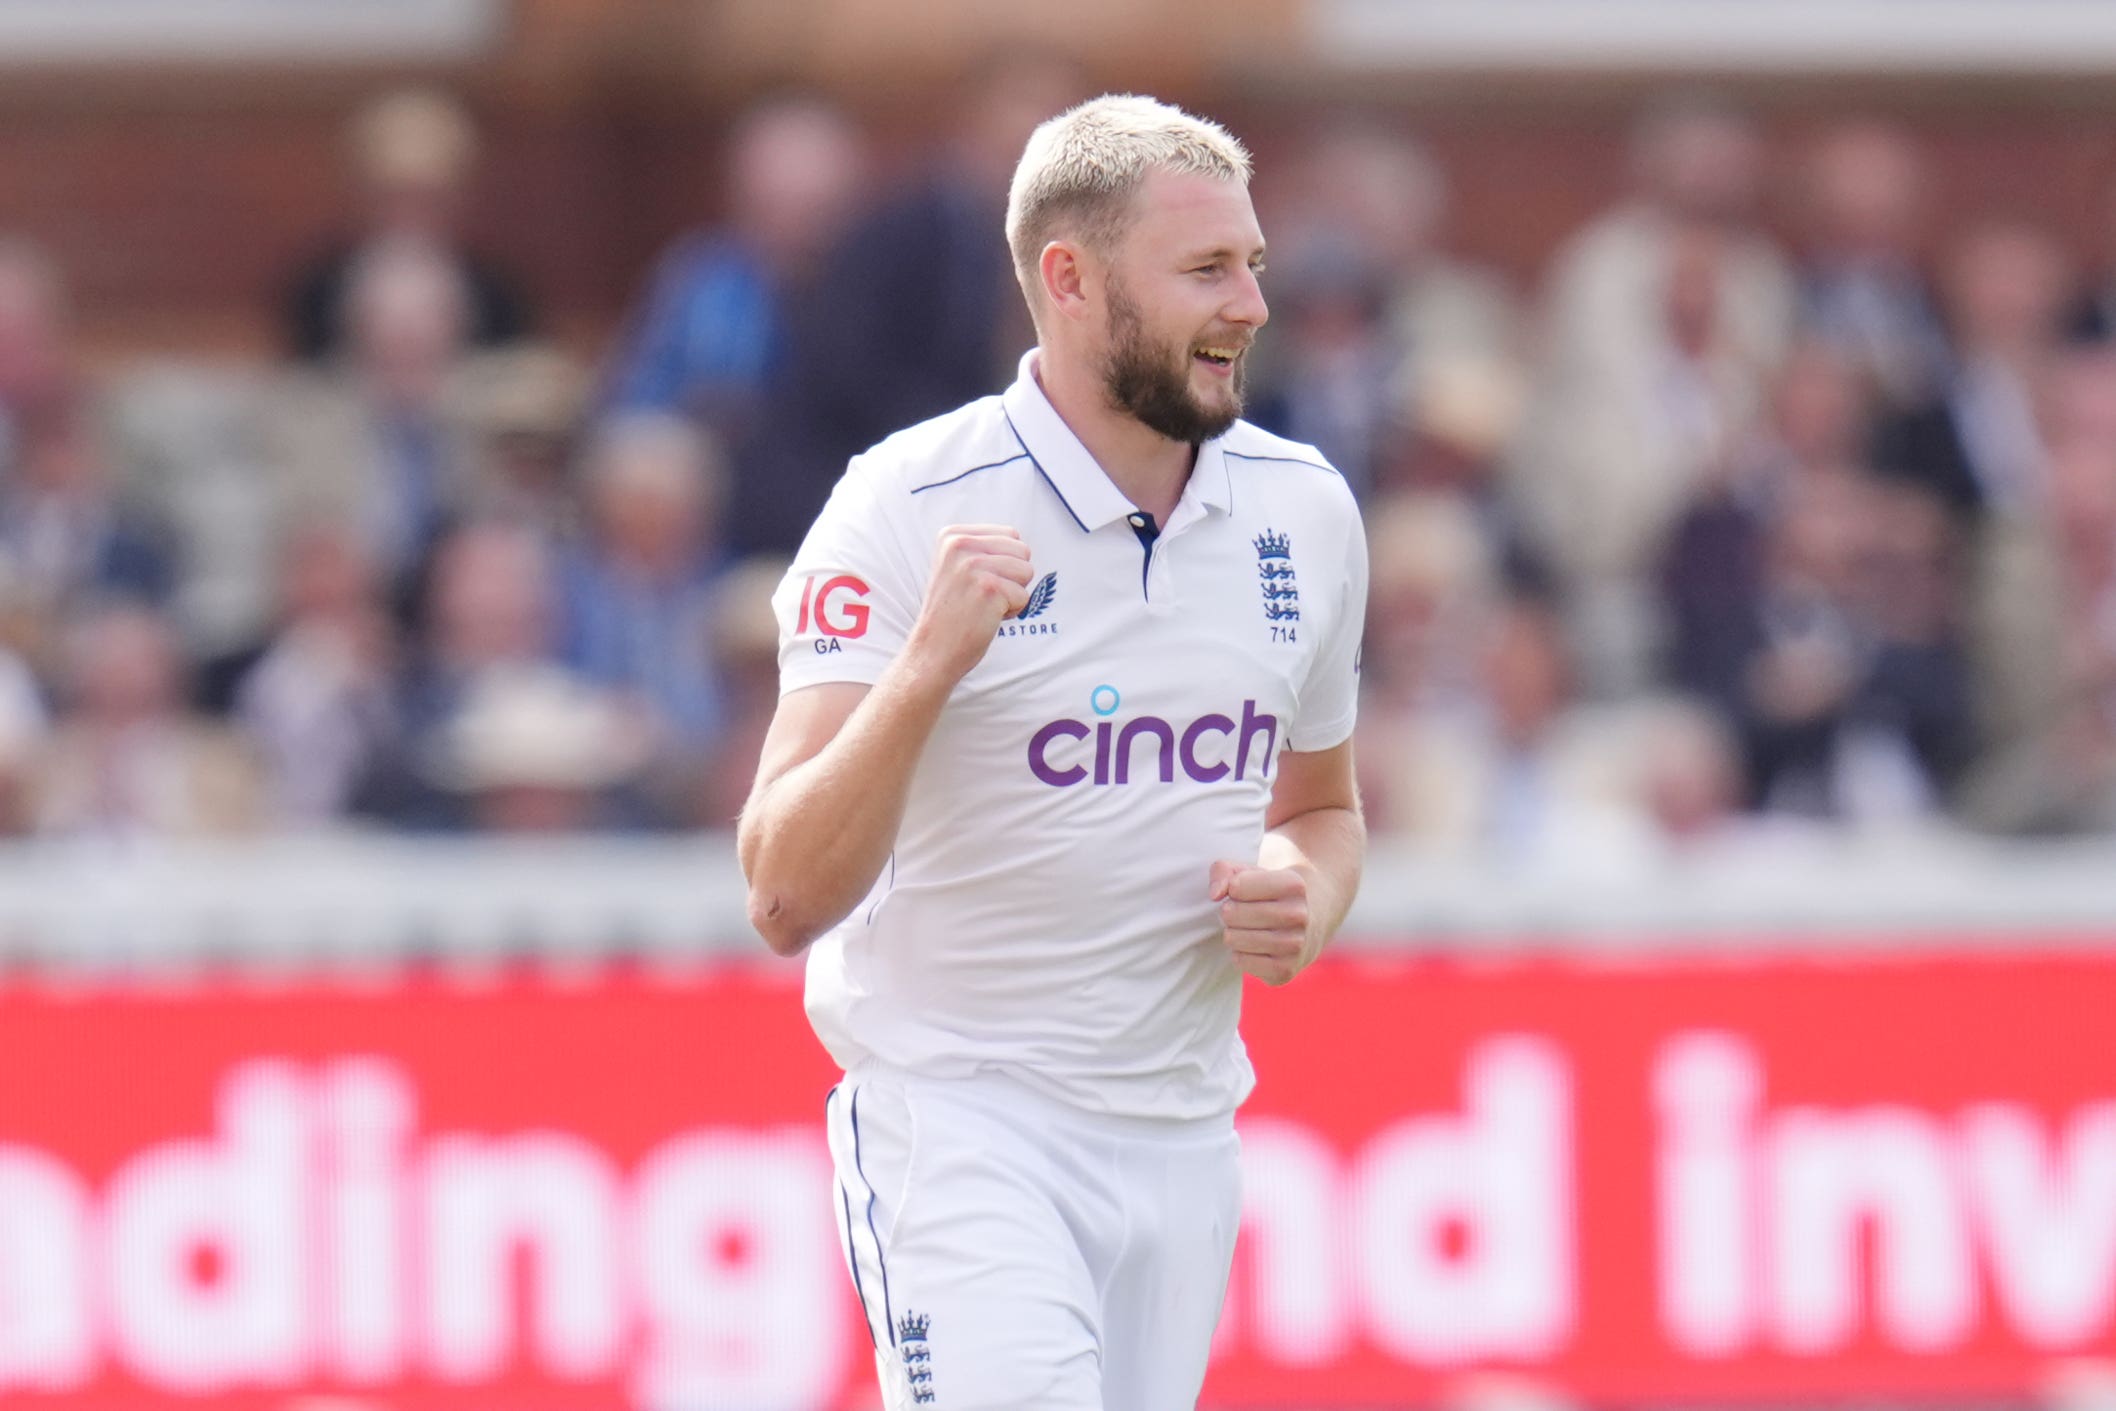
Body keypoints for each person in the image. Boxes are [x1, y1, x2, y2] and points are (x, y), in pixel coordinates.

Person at [737, 96, 1367, 1409]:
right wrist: (925, 671)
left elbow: (1324, 809)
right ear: (1069, 282)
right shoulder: (903, 506)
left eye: (1253, 264)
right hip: (961, 1127)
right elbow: (783, 890)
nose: (1250, 303)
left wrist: (1306, 896)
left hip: (1186, 1137)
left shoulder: (1304, 510)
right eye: (1206, 270)